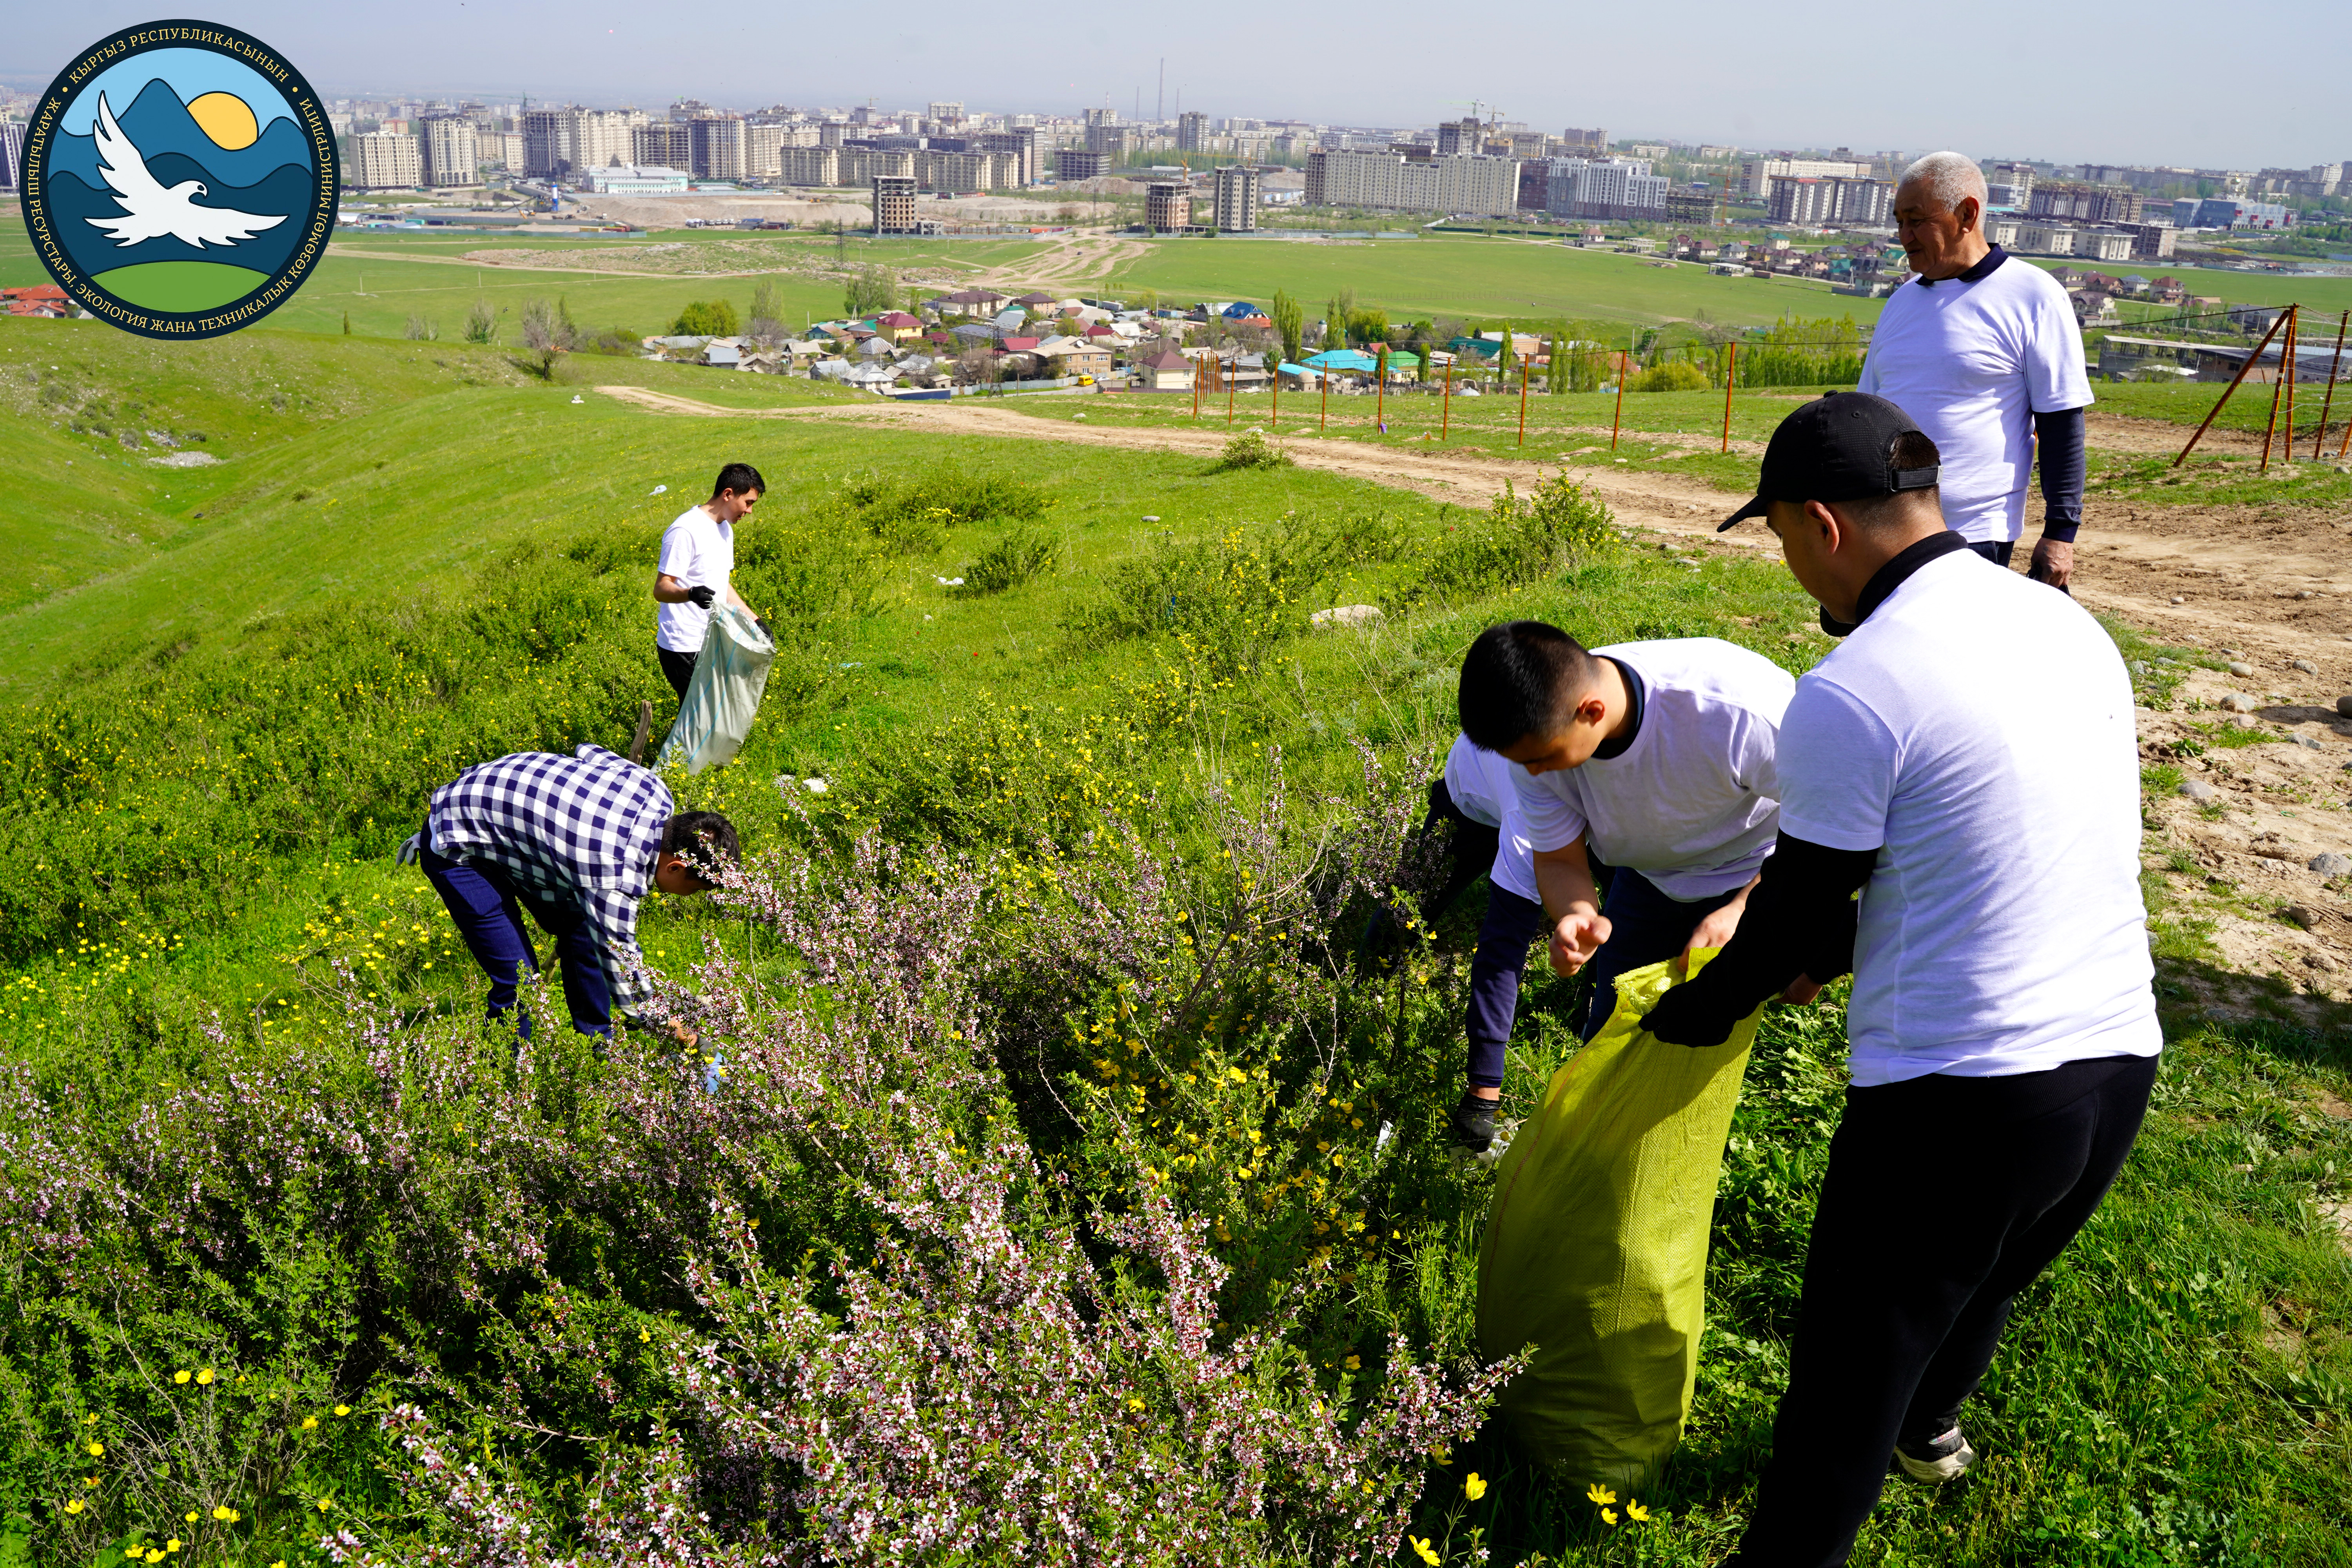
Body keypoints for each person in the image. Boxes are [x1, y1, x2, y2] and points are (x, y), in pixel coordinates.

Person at [1666, 392, 2160, 1567]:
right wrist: (1829, 954)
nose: (1791, 567)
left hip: (1959, 1103)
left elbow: (1792, 905)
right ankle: (1931, 1429)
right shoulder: (2059, 624)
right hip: (2111, 1063)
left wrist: (1696, 1012)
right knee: (1982, 1275)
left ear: (1821, 524)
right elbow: (1987, 855)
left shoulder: (1854, 685)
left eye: (1781, 537)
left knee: (1843, 1384)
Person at [1455, 624, 1800, 1049]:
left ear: (1592, 711)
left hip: (1763, 870)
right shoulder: (1537, 740)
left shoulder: (1738, 711)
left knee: (1708, 1030)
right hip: (1648, 879)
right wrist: (1576, 913)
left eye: (1542, 759)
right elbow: (1559, 860)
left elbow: (1830, 829)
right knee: (1613, 1029)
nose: (1533, 774)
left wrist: (1745, 909)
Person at [1857, 151, 2090, 593]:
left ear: (1967, 214)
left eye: (1916, 220)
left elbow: (2061, 424)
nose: (1903, 236)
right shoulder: (1901, 302)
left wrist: (2061, 533)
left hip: (1974, 535)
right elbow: (1869, 413)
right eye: (1898, 221)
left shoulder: (2034, 296)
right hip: (1889, 529)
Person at [400, 744, 740, 1044]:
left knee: (584, 930)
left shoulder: (655, 790)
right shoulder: (611, 875)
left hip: (503, 817)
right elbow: (623, 965)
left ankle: (596, 1047)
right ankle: (506, 1084)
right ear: (676, 868)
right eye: (695, 888)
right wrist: (667, 1024)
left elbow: (588, 752)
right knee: (520, 980)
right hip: (456, 842)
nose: (690, 897)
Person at [1369, 735, 1549, 1153]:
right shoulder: (1537, 804)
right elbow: (1502, 947)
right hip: (1474, 799)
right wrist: (1482, 1095)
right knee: (1409, 908)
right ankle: (1358, 988)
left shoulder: (1633, 796)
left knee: (1618, 902)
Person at [654, 462, 767, 702]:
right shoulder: (685, 530)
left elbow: (721, 584)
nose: (749, 511)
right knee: (703, 718)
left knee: (715, 714)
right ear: (728, 494)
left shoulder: (725, 528)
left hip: (713, 639)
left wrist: (755, 620)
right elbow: (661, 589)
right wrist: (690, 593)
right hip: (683, 646)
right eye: (748, 503)